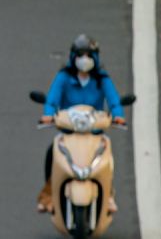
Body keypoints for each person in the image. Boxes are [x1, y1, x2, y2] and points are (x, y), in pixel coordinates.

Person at [37, 34, 127, 214]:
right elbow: (52, 100)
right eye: (80, 55)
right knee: (52, 154)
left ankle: (109, 194)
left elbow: (114, 101)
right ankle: (48, 195)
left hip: (93, 132)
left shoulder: (102, 79)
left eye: (88, 55)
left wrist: (118, 116)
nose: (84, 60)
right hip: (69, 132)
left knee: (106, 158)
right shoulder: (64, 77)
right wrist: (48, 115)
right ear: (73, 58)